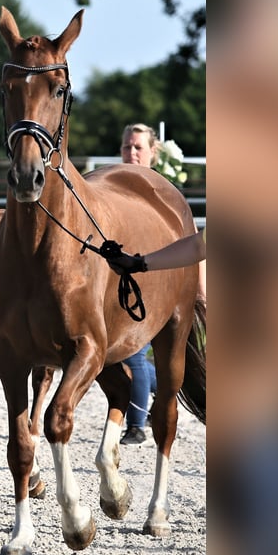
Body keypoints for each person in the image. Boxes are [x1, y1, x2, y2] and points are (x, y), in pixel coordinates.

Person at [117, 123, 161, 444]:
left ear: (152, 153)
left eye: (138, 148)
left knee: (132, 354)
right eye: (127, 147)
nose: (131, 153)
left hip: (151, 283)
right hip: (118, 281)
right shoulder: (113, 187)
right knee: (127, 358)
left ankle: (136, 424)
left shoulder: (160, 193)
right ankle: (175, 383)